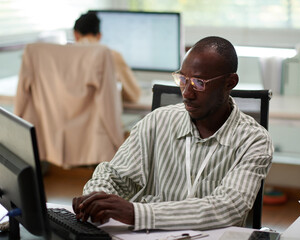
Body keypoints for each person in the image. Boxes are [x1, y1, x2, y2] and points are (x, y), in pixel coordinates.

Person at [72, 36, 274, 231]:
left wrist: (137, 213)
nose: (186, 93)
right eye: (183, 79)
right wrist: (96, 199)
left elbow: (227, 208)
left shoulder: (254, 141)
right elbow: (114, 176)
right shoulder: (158, 121)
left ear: (230, 82)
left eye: (199, 83)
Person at [73, 11, 141, 103]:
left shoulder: (63, 56)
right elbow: (134, 95)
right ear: (99, 35)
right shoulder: (111, 55)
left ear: (76, 34)